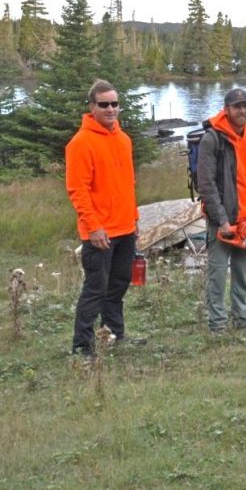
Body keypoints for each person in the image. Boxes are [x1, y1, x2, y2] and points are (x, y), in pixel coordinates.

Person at [66, 79, 139, 356]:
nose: (110, 109)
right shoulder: (81, 143)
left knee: (118, 285)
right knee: (95, 288)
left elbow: (128, 184)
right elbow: (77, 190)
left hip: (125, 228)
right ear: (92, 107)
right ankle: (82, 345)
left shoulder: (123, 140)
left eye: (114, 104)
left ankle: (113, 335)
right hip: (99, 233)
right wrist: (94, 227)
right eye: (104, 104)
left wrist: (135, 219)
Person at [197, 88, 246, 332]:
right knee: (217, 274)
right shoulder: (212, 139)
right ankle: (217, 324)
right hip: (223, 223)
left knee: (241, 272)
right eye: (237, 106)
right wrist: (221, 220)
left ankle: (243, 320)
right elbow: (206, 183)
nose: (242, 110)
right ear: (226, 108)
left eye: (245, 106)